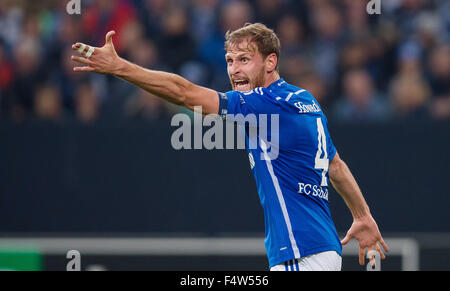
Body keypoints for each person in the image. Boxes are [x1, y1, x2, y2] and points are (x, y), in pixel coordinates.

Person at [71, 23, 389, 271]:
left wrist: (120, 68)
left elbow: (184, 93)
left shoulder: (265, 103)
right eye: (230, 60)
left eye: (244, 60)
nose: (234, 69)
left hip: (299, 252)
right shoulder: (305, 100)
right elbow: (336, 166)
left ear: (270, 61)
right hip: (323, 250)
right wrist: (362, 214)